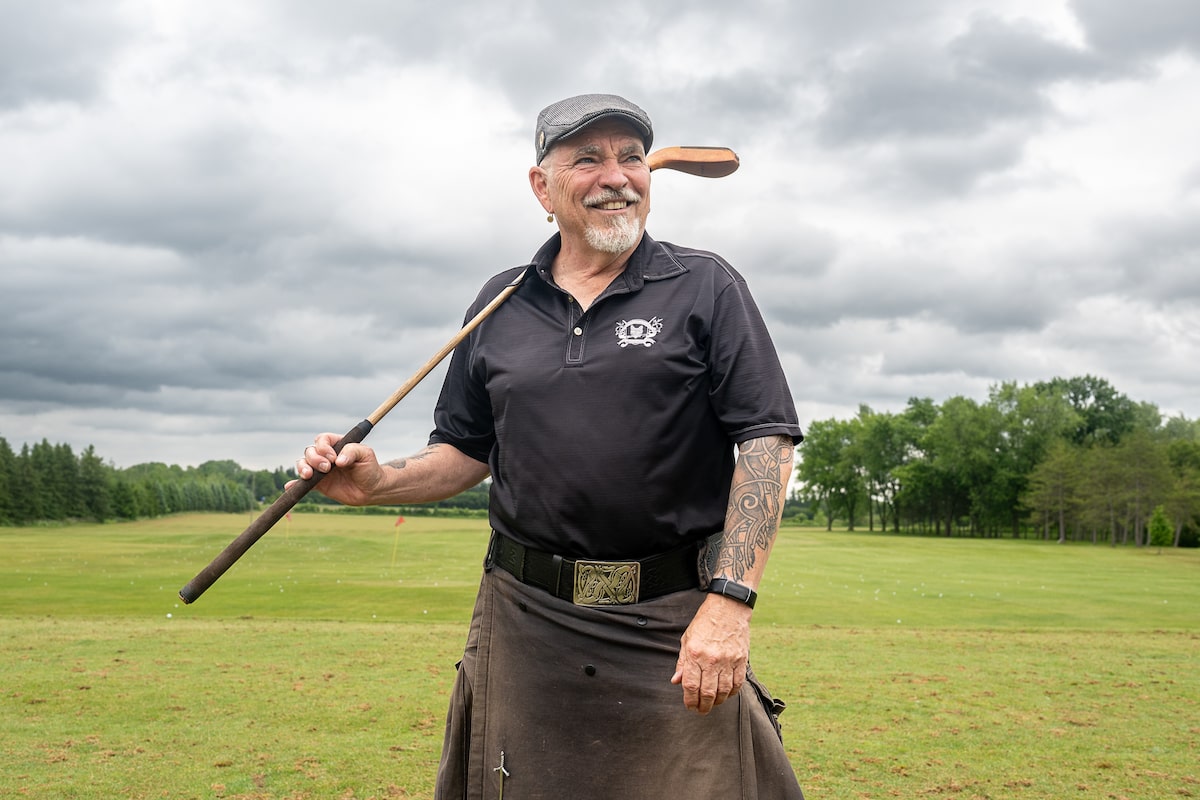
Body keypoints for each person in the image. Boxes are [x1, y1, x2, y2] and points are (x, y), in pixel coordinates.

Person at [295, 93, 805, 799]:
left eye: (632, 158)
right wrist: (377, 483)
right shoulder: (502, 300)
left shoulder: (705, 286)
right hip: (527, 619)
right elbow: (466, 451)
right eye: (588, 159)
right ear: (542, 186)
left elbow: (766, 442)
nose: (617, 175)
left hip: (674, 621)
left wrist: (730, 603)